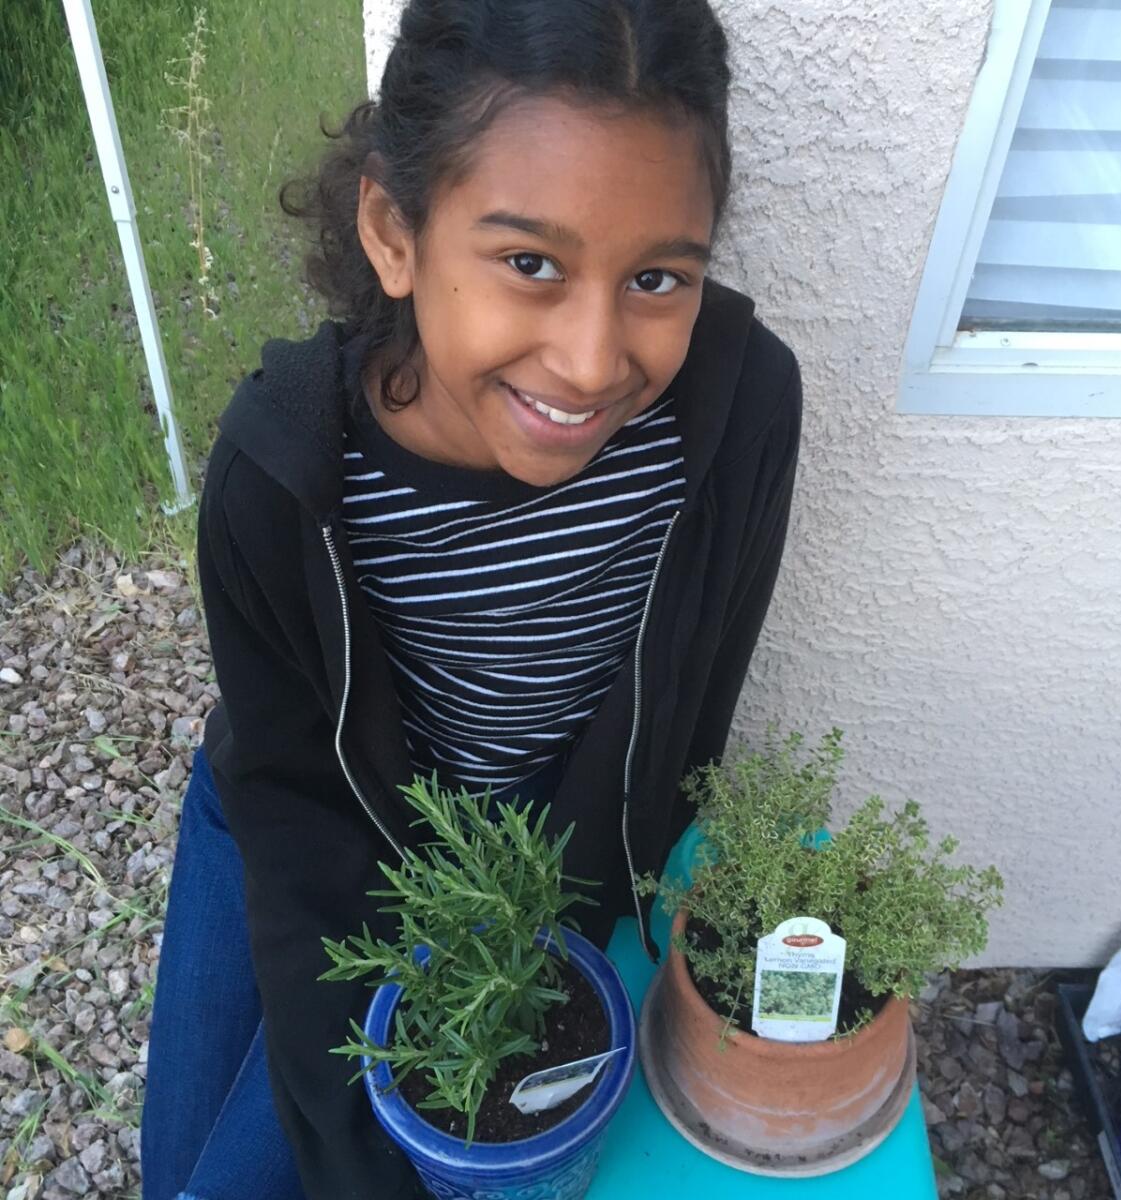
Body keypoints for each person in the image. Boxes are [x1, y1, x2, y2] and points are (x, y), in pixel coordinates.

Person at [139, 0, 802, 1197]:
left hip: (533, 857)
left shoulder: (736, 419)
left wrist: (555, 932)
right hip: (304, 824)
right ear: (395, 231)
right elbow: (304, 835)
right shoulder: (281, 482)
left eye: (657, 276)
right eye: (530, 263)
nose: (594, 361)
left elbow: (685, 715)